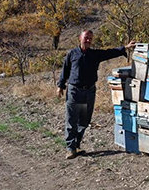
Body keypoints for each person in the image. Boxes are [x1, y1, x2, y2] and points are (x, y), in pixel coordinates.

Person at [57, 30, 135, 159]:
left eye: (90, 39)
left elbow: (109, 53)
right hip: (74, 90)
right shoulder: (72, 54)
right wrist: (60, 86)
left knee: (84, 120)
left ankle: (76, 145)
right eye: (86, 38)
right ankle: (70, 148)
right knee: (72, 119)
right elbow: (65, 70)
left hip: (89, 91)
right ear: (80, 38)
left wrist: (125, 48)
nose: (88, 40)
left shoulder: (95, 54)